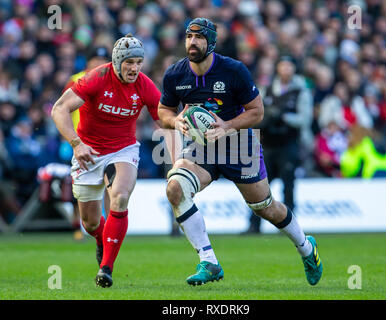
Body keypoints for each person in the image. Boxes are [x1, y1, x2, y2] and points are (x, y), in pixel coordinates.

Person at [157, 18, 323, 286]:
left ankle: (306, 247)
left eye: (198, 38)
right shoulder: (175, 74)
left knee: (265, 207)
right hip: (201, 148)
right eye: (189, 36)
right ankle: (208, 261)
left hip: (238, 146)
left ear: (211, 42)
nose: (192, 42)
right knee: (175, 189)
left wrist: (227, 126)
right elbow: (163, 111)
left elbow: (257, 111)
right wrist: (175, 121)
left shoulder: (234, 71)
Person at [52, 33, 162, 288]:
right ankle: (103, 239)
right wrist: (76, 144)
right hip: (87, 152)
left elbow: (162, 115)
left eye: (138, 62)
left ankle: (106, 268)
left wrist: (179, 122)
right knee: (90, 224)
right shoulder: (96, 78)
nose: (134, 68)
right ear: (116, 61)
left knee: (120, 197)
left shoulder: (144, 85)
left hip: (123, 150)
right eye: (129, 63)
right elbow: (59, 109)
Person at [245, 55, 313, 233]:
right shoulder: (265, 89)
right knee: (258, 186)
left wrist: (282, 117)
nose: (286, 69)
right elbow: (254, 113)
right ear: (278, 68)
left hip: (288, 144)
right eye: (283, 65)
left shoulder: (301, 92)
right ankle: (253, 225)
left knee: (288, 185)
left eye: (289, 66)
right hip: (266, 145)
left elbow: (305, 119)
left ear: (294, 69)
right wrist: (267, 118)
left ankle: (289, 228)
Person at [63, 46, 111, 241]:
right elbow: (61, 109)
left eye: (102, 59)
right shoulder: (76, 80)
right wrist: (68, 138)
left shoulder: (112, 79)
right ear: (88, 63)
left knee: (110, 184)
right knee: (79, 184)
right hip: (78, 141)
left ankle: (110, 224)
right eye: (95, 59)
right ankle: (78, 224)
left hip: (106, 141)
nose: (98, 63)